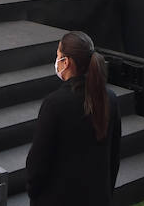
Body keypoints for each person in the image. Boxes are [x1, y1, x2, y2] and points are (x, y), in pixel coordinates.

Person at [24, 30, 121, 206]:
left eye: (58, 55)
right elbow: (113, 156)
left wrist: (35, 193)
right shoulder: (110, 99)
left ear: (66, 62)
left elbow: (38, 161)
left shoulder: (54, 104)